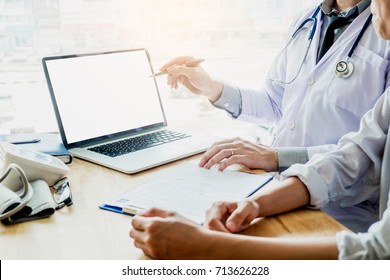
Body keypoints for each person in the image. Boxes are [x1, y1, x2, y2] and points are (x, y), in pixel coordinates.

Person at [129, 0, 390, 259]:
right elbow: (352, 152)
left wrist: (276, 157)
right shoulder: (307, 19)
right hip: (287, 189)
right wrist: (213, 89)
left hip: (347, 212)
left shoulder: (380, 28)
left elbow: (368, 165)